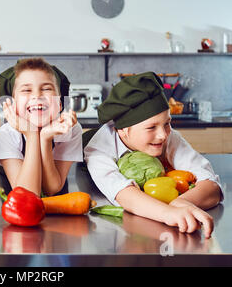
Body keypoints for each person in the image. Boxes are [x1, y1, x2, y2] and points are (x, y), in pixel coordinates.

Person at [83, 72, 223, 238]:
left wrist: (181, 202)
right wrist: (168, 213)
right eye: (151, 128)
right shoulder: (98, 149)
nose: (163, 135)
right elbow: (124, 194)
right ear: (123, 130)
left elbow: (211, 185)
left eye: (167, 123)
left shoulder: (169, 137)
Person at [0, 58, 83, 197]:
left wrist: (45, 138)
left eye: (46, 88)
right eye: (27, 90)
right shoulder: (5, 135)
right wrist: (32, 133)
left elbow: (51, 188)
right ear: (13, 104)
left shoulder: (70, 129)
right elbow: (27, 193)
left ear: (60, 104)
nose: (37, 95)